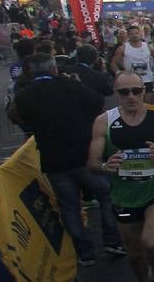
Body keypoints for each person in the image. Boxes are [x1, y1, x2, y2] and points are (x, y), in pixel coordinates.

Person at [10, 53, 122, 264]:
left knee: (69, 207)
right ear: (54, 69)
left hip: (54, 161)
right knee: (107, 195)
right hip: (84, 155)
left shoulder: (24, 96)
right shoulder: (68, 85)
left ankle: (85, 252)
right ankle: (112, 240)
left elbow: (20, 119)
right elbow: (97, 101)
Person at [88, 72, 154, 282]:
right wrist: (107, 165)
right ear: (116, 94)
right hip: (124, 195)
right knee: (135, 255)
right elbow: (93, 163)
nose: (131, 96)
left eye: (136, 91)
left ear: (144, 89)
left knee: (150, 242)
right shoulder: (104, 122)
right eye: (124, 92)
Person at [109, 22, 154, 105]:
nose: (134, 35)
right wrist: (119, 74)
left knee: (148, 103)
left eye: (136, 33)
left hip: (147, 79)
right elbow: (113, 63)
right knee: (134, 103)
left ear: (140, 34)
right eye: (132, 34)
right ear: (128, 35)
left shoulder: (148, 47)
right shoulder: (123, 48)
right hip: (131, 81)